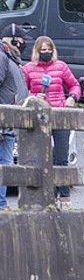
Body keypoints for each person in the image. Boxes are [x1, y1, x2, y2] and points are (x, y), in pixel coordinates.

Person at [22, 36, 80, 208]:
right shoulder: (28, 69)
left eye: (49, 49)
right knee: (41, 158)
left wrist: (73, 97)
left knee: (61, 158)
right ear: (37, 51)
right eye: (43, 50)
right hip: (39, 118)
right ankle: (45, 195)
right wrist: (34, 96)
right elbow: (21, 92)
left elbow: (75, 85)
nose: (46, 52)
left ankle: (64, 196)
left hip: (59, 114)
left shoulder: (61, 66)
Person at [0, 24, 28, 209]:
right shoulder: (2, 57)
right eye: (22, 40)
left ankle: (1, 204)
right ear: (14, 39)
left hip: (9, 124)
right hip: (3, 123)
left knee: (6, 164)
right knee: (4, 165)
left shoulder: (11, 58)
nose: (23, 45)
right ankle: (1, 206)